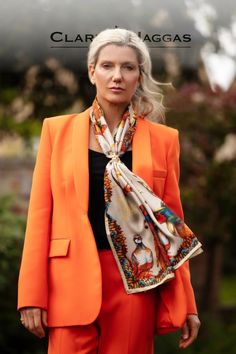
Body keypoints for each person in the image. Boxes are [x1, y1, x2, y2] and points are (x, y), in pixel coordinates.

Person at [17, 28, 202, 354]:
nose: (117, 76)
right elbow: (39, 217)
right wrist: (31, 294)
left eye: (128, 67)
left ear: (138, 75)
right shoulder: (55, 131)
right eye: (107, 66)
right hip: (68, 281)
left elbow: (172, 227)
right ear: (92, 72)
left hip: (136, 283)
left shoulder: (163, 140)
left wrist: (186, 302)